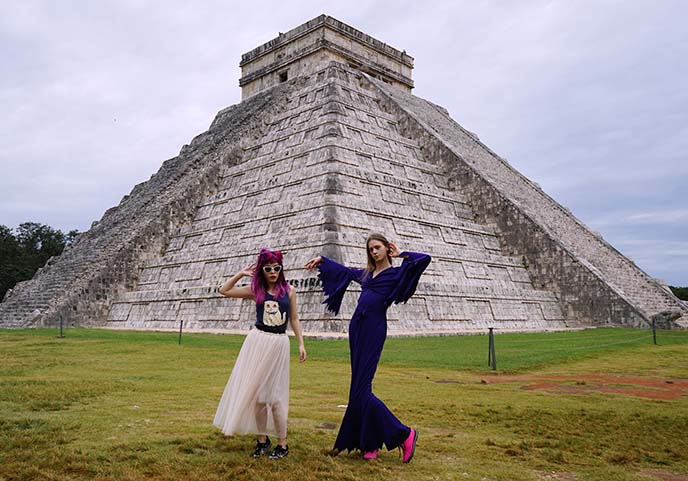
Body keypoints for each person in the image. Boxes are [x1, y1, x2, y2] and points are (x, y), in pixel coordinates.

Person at [305, 233, 431, 463]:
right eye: (370, 249)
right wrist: (323, 261)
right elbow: (344, 271)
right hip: (357, 329)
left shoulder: (396, 273)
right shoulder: (367, 274)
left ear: (386, 248)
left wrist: (400, 253)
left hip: (374, 329)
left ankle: (405, 433)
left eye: (377, 248)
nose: (373, 252)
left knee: (362, 390)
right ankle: (369, 444)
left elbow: (423, 259)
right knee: (357, 389)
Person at [213, 248, 306, 459]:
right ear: (262, 270)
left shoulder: (289, 291)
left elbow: (294, 318)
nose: (273, 272)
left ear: (281, 269)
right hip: (258, 342)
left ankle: (282, 444)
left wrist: (301, 343)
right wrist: (240, 274)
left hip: (278, 344)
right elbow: (224, 290)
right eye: (268, 268)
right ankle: (262, 440)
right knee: (258, 398)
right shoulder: (256, 290)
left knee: (276, 398)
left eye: (276, 268)